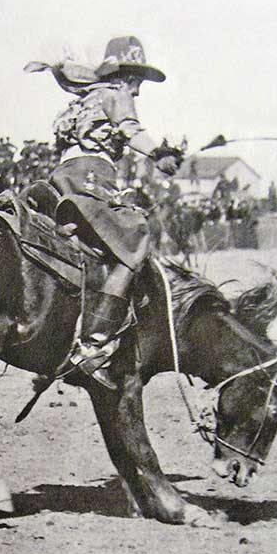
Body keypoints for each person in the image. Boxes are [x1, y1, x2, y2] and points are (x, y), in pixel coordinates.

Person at [26, 36, 181, 384]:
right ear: (126, 75)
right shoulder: (117, 94)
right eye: (138, 80)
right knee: (137, 243)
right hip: (91, 179)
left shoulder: (83, 99)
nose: (138, 91)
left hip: (60, 179)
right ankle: (93, 345)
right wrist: (160, 154)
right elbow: (130, 130)